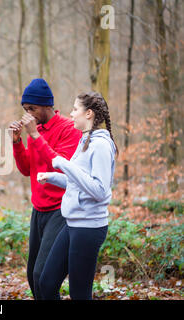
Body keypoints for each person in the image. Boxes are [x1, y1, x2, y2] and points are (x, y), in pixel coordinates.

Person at [37, 92, 118, 300]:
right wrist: (53, 177)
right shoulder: (85, 142)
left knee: (79, 295)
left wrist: (63, 164)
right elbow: (78, 182)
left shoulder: (100, 145)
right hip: (72, 223)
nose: (71, 114)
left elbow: (99, 190)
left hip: (89, 227)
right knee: (46, 284)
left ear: (88, 113)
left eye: (75, 109)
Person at [9, 78, 82, 300]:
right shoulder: (36, 131)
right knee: (33, 277)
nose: (28, 114)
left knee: (44, 276)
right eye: (25, 109)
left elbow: (60, 167)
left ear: (47, 105)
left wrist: (34, 135)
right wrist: (17, 143)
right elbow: (26, 169)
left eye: (32, 108)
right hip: (38, 210)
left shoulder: (69, 129)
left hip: (60, 209)